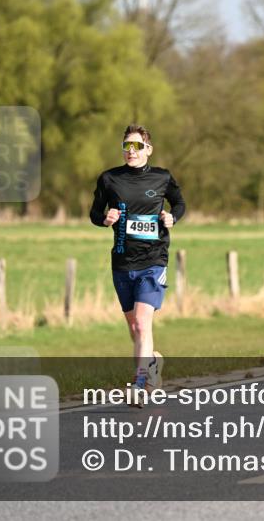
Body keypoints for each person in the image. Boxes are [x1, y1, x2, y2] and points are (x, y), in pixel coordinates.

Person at [90, 125, 186, 404]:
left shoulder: (162, 178)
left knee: (143, 326)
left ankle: (140, 384)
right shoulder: (109, 179)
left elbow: (179, 203)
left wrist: (172, 218)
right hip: (122, 260)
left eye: (137, 146)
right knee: (134, 329)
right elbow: (94, 212)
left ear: (148, 150)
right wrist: (104, 219)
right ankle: (153, 363)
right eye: (126, 146)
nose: (131, 151)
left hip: (153, 260)